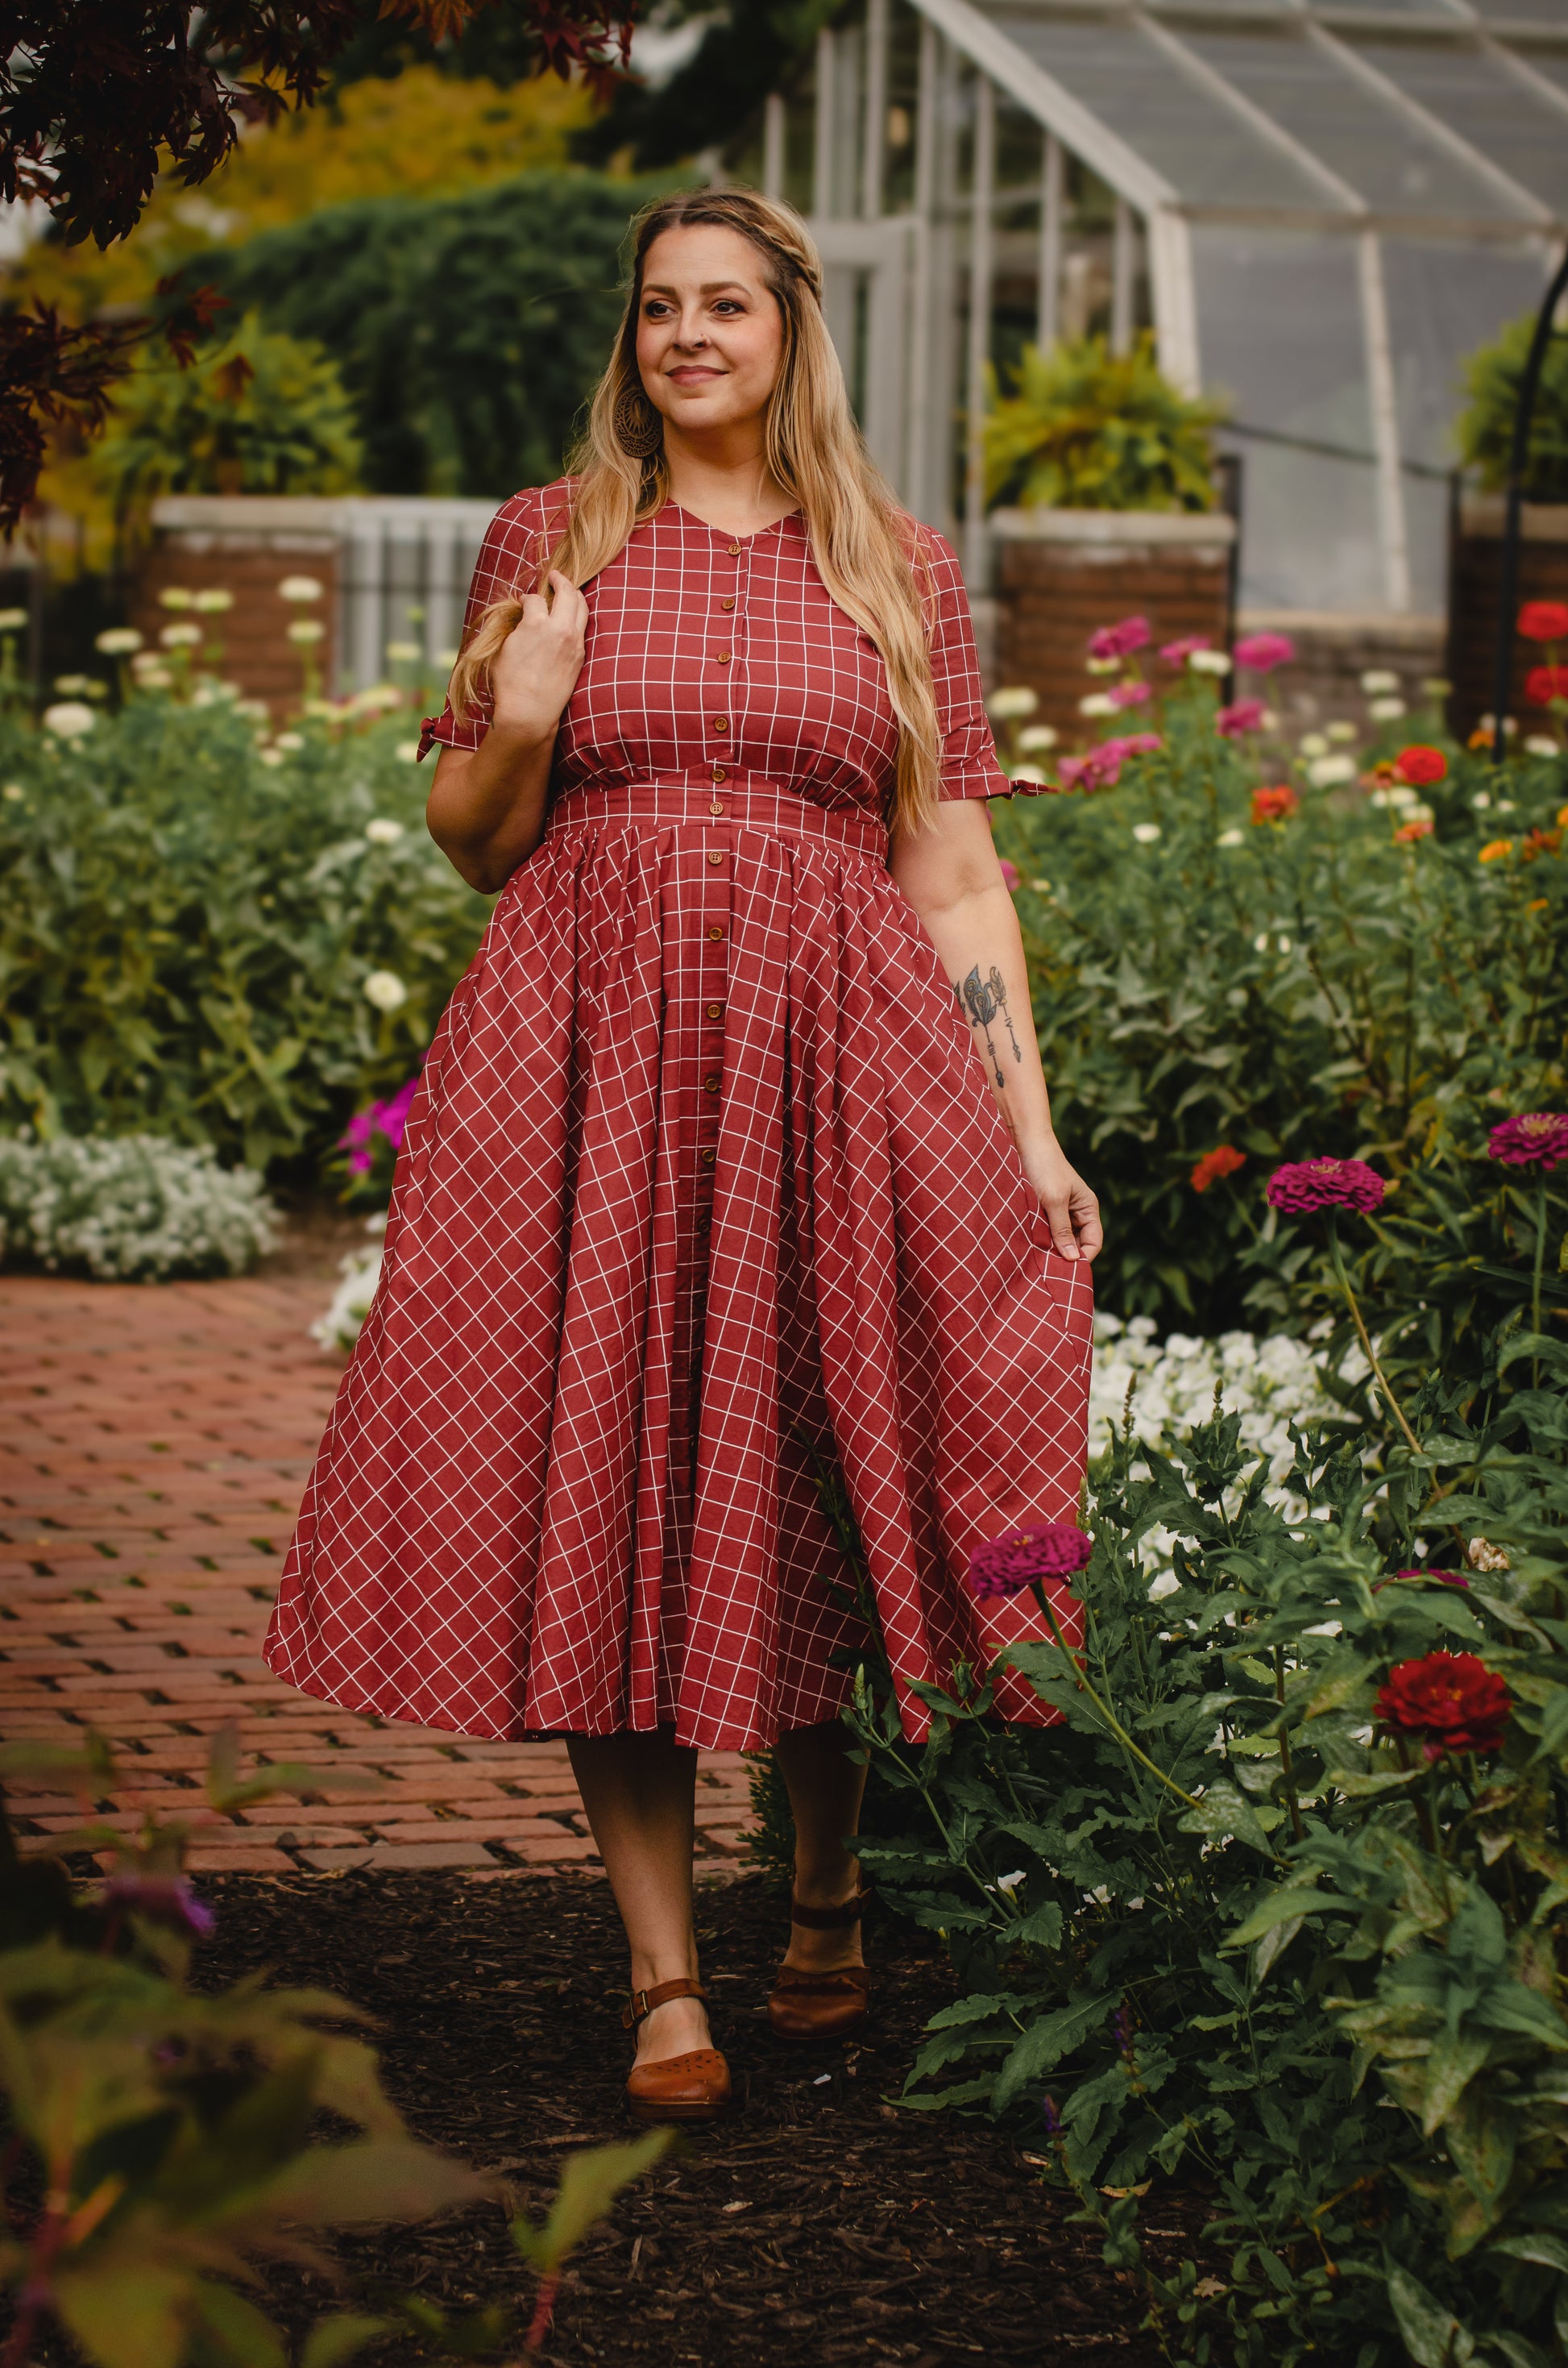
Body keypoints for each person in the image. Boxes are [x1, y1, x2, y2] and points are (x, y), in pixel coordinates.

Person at [264, 187, 1100, 2125]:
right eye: (659, 309)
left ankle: (822, 1879)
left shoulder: (897, 565)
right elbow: (472, 840)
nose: (688, 335)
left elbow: (955, 871)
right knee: (609, 1474)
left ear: (792, 329)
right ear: (629, 340)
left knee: (819, 1451)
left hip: (838, 1055)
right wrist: (527, 713)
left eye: (725, 305)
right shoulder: (550, 542)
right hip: (584, 1057)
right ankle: (660, 1972)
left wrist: (1026, 1127)